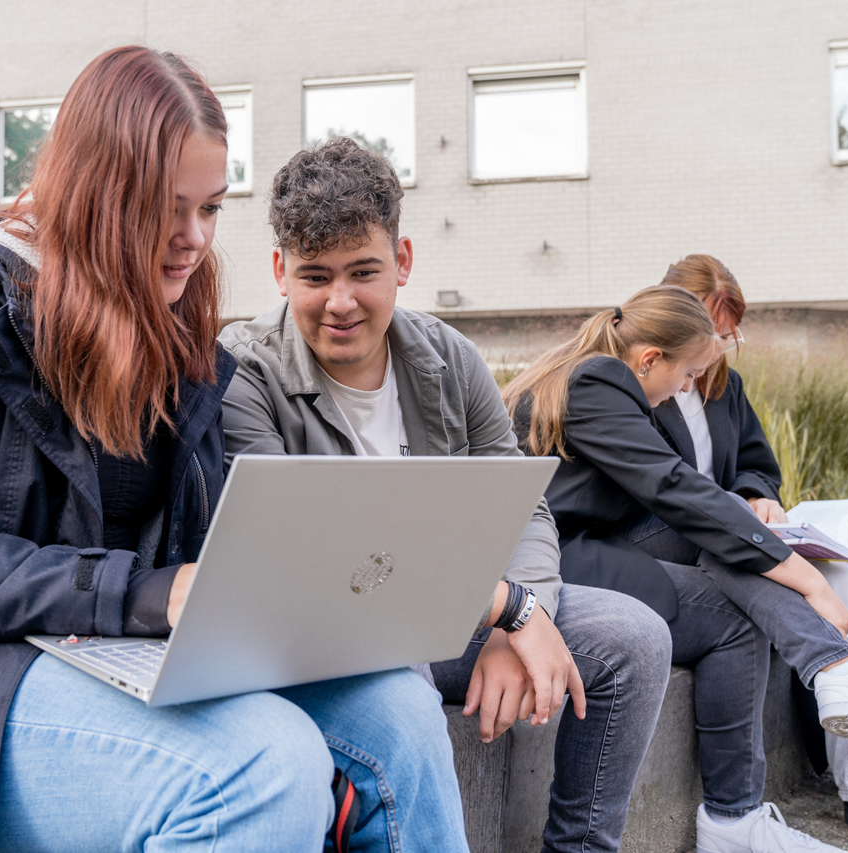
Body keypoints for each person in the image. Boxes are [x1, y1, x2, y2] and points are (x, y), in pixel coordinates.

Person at [0, 48, 471, 853]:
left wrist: (286, 589)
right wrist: (134, 593)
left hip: (123, 656)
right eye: (166, 209)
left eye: (211, 207)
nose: (193, 239)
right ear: (95, 188)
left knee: (399, 710)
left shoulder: (170, 331)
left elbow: (185, 551)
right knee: (259, 765)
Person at [218, 136, 674, 853]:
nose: (340, 302)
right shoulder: (244, 373)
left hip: (458, 606)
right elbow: (310, 555)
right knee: (403, 674)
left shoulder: (447, 357)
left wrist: (515, 619)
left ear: (402, 261)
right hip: (334, 631)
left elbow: (521, 505)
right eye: (315, 276)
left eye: (363, 271)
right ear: (280, 272)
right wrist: (506, 608)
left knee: (634, 639)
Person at [503, 284, 848, 853]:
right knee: (718, 558)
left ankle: (753, 799)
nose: (689, 388)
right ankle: (827, 689)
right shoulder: (596, 381)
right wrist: (801, 577)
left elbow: (683, 495)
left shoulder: (601, 377)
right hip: (552, 562)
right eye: (688, 374)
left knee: (729, 572)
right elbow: (674, 489)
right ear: (650, 358)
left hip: (600, 546)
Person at [658, 253, 848, 852]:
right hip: (685, 550)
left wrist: (757, 496)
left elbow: (755, 460)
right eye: (708, 333)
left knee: (841, 574)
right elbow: (659, 487)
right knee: (783, 574)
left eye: (726, 336)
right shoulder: (643, 384)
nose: (716, 350)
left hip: (736, 537)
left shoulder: (726, 386)